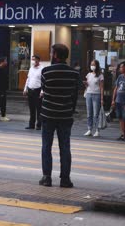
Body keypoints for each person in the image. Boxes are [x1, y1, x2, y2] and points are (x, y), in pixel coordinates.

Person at [39, 44, 79, 188]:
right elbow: (74, 95)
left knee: (46, 146)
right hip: (65, 115)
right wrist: (69, 110)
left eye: (51, 52)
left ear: (55, 55)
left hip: (48, 114)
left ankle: (47, 177)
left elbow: (44, 89)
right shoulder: (74, 73)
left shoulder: (46, 71)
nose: (50, 55)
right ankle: (65, 179)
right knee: (65, 147)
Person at [83, 60, 104, 137]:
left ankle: (97, 130)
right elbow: (87, 86)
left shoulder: (100, 75)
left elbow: (101, 88)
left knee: (96, 114)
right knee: (89, 113)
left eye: (94, 64)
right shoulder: (88, 74)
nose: (92, 66)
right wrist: (86, 84)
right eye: (91, 64)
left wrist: (102, 99)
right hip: (88, 94)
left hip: (97, 95)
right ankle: (89, 129)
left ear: (97, 66)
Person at [112, 61, 125, 141]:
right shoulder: (120, 77)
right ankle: (123, 134)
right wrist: (113, 100)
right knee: (120, 118)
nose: (120, 68)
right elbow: (116, 88)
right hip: (118, 101)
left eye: (121, 67)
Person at [24, 55, 43, 130]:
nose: (32, 61)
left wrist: (42, 91)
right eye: (32, 60)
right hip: (30, 90)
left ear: (38, 60)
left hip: (38, 90)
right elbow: (28, 79)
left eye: (34, 60)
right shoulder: (31, 68)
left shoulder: (42, 69)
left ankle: (39, 125)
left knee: (39, 109)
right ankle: (31, 125)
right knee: (31, 108)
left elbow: (43, 81)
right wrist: (25, 89)